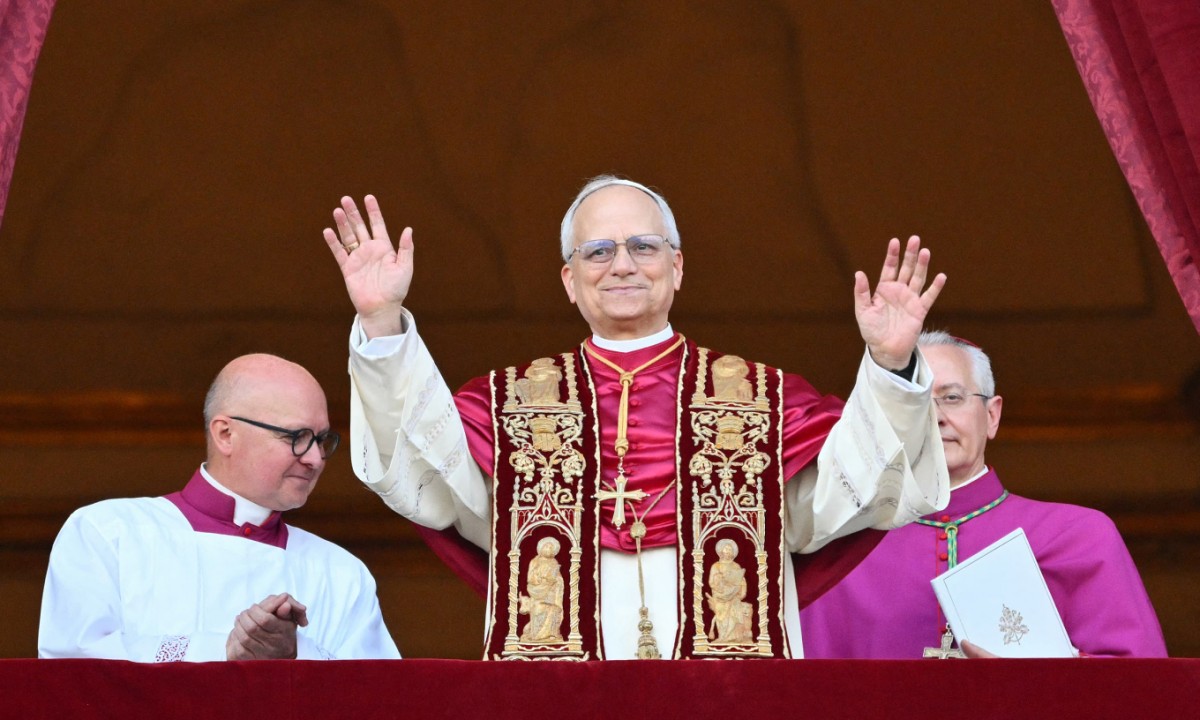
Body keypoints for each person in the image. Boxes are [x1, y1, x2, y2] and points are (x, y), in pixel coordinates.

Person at [322, 175, 950, 660]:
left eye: (643, 246)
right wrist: (382, 323)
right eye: (598, 251)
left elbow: (851, 494)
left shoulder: (763, 399)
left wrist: (891, 365)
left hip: (727, 695)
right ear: (569, 280)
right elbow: (425, 476)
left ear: (677, 266)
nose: (622, 264)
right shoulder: (509, 404)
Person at [800, 331, 1168, 658]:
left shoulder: (1078, 535)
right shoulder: (838, 550)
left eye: (952, 397)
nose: (935, 417)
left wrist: (1039, 683)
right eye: (915, 403)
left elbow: (1144, 687)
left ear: (992, 415)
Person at [38, 354, 401, 661]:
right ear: (226, 434)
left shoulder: (342, 573)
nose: (315, 459)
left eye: (321, 440)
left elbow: (377, 699)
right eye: (297, 437)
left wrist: (294, 654)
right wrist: (223, 649)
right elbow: (73, 669)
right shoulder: (108, 533)